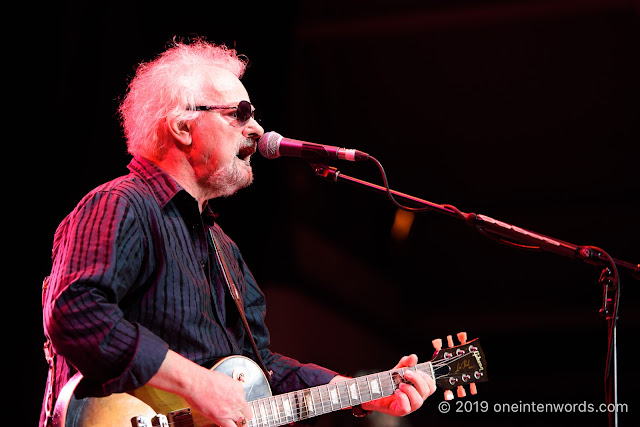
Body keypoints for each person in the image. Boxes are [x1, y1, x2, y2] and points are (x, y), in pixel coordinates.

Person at [40, 38, 436, 427]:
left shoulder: (224, 248)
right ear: (182, 127)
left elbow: (263, 372)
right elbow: (75, 311)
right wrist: (197, 384)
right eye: (241, 113)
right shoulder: (121, 203)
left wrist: (363, 392)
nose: (257, 128)